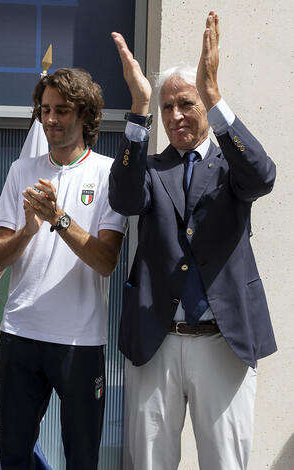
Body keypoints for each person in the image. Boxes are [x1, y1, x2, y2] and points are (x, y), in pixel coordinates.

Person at [109, 12, 276, 469]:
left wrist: (216, 95)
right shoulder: (151, 167)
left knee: (225, 462)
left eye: (186, 103)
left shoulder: (230, 165)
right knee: (149, 463)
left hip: (224, 340)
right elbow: (123, 199)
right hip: (155, 340)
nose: (176, 116)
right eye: (167, 107)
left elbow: (263, 177)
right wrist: (139, 109)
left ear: (203, 104)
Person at [0, 68, 127, 470]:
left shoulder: (107, 173)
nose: (50, 119)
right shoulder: (22, 171)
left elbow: (106, 261)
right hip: (19, 333)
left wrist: (59, 218)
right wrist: (29, 230)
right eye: (44, 110)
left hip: (79, 341)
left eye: (62, 110)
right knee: (14, 456)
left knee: (81, 458)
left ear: (86, 115)